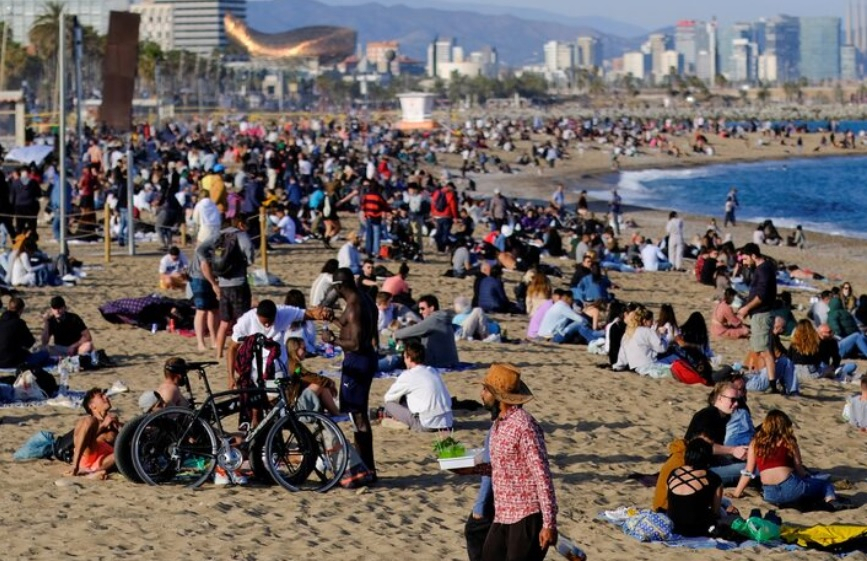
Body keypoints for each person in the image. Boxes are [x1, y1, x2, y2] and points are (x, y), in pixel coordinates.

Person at [458, 364, 558, 561]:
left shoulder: (525, 426)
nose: (481, 394)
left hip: (526, 516)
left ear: (498, 396)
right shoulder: (498, 424)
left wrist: (549, 524)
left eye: (486, 390)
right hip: (502, 514)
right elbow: (504, 467)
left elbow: (542, 475)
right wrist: (471, 469)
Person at [322, 268, 379, 485]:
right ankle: (368, 467)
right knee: (359, 415)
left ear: (339, 287)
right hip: (366, 359)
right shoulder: (362, 298)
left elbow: (355, 342)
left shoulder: (354, 307)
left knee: (358, 416)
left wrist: (332, 340)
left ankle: (368, 469)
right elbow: (356, 328)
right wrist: (336, 319)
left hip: (358, 360)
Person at [730, 410, 847, 511]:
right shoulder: (788, 441)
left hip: (770, 493)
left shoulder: (755, 443)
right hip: (791, 485)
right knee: (825, 484)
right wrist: (807, 477)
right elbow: (799, 469)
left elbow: (748, 472)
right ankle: (831, 502)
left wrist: (737, 493)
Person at [200, 217, 255, 358]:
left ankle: (219, 353)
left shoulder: (219, 235)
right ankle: (244, 352)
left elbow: (201, 249)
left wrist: (211, 261)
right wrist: (249, 261)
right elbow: (248, 247)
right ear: (240, 224)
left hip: (223, 284)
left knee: (224, 322)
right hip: (238, 283)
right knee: (243, 320)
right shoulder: (240, 234)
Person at [684, 381, 747, 486]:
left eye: (738, 400)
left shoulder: (721, 416)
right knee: (749, 469)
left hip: (708, 464)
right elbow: (703, 447)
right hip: (698, 470)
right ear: (720, 398)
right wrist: (732, 450)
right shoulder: (708, 415)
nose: (736, 404)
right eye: (733, 400)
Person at [382, 340, 453, 431]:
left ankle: (402, 423)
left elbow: (388, 397)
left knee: (389, 405)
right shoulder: (432, 370)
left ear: (408, 358)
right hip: (447, 422)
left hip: (426, 424)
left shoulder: (408, 375)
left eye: (404, 357)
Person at [737, 243, 778, 392]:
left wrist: (746, 308)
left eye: (746, 259)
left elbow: (761, 295)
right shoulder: (762, 269)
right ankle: (770, 383)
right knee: (763, 349)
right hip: (760, 313)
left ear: (754, 256)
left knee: (765, 351)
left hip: (762, 314)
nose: (744, 262)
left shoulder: (764, 270)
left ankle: (771, 384)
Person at [666, 438, 726, 537]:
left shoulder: (674, 473)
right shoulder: (713, 479)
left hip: (673, 525)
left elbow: (670, 501)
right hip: (697, 529)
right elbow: (716, 512)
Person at [389, 294, 460, 370]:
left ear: (432, 308)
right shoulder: (441, 318)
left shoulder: (434, 319)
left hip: (438, 363)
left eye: (423, 309)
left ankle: (395, 356)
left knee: (404, 342)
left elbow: (413, 330)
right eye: (419, 309)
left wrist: (395, 335)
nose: (420, 312)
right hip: (450, 361)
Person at [68, 387, 121, 479]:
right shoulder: (86, 422)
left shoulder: (113, 421)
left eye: (104, 395)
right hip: (90, 452)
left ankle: (93, 473)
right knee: (90, 420)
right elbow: (79, 440)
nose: (106, 397)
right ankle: (75, 466)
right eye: (101, 396)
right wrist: (103, 425)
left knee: (120, 452)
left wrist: (119, 426)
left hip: (105, 459)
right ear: (92, 406)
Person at [286, 337, 340, 416]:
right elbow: (306, 376)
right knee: (320, 385)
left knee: (321, 385)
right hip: (295, 405)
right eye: (303, 349)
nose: (306, 351)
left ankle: (334, 411)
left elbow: (307, 376)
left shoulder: (292, 363)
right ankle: (335, 412)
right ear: (295, 349)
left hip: (294, 401)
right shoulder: (295, 367)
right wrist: (329, 382)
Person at [538, 289, 603, 345]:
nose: (572, 301)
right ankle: (594, 340)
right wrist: (588, 323)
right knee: (579, 324)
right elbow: (580, 320)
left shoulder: (557, 305)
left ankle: (596, 336)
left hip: (545, 335)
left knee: (577, 325)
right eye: (572, 299)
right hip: (554, 337)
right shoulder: (563, 307)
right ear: (568, 298)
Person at [0, 296, 48, 368]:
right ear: (21, 310)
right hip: (13, 362)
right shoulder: (19, 323)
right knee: (45, 353)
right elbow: (30, 343)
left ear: (8, 307)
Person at [432, 181, 459, 253]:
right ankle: (446, 247)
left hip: (437, 216)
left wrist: (433, 214)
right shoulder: (450, 194)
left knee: (439, 232)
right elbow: (453, 207)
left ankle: (440, 249)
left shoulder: (437, 192)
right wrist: (455, 217)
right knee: (445, 233)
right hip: (447, 216)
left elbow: (433, 204)